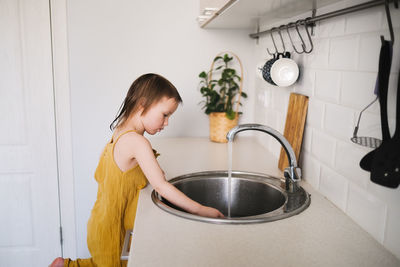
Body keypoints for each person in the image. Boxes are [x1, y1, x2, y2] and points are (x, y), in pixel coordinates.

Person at [51, 73, 224, 267]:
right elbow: (162, 186)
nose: (166, 123)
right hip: (111, 229)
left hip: (102, 220)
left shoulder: (120, 131)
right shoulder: (137, 142)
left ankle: (63, 264)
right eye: (165, 115)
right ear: (142, 105)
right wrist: (201, 210)